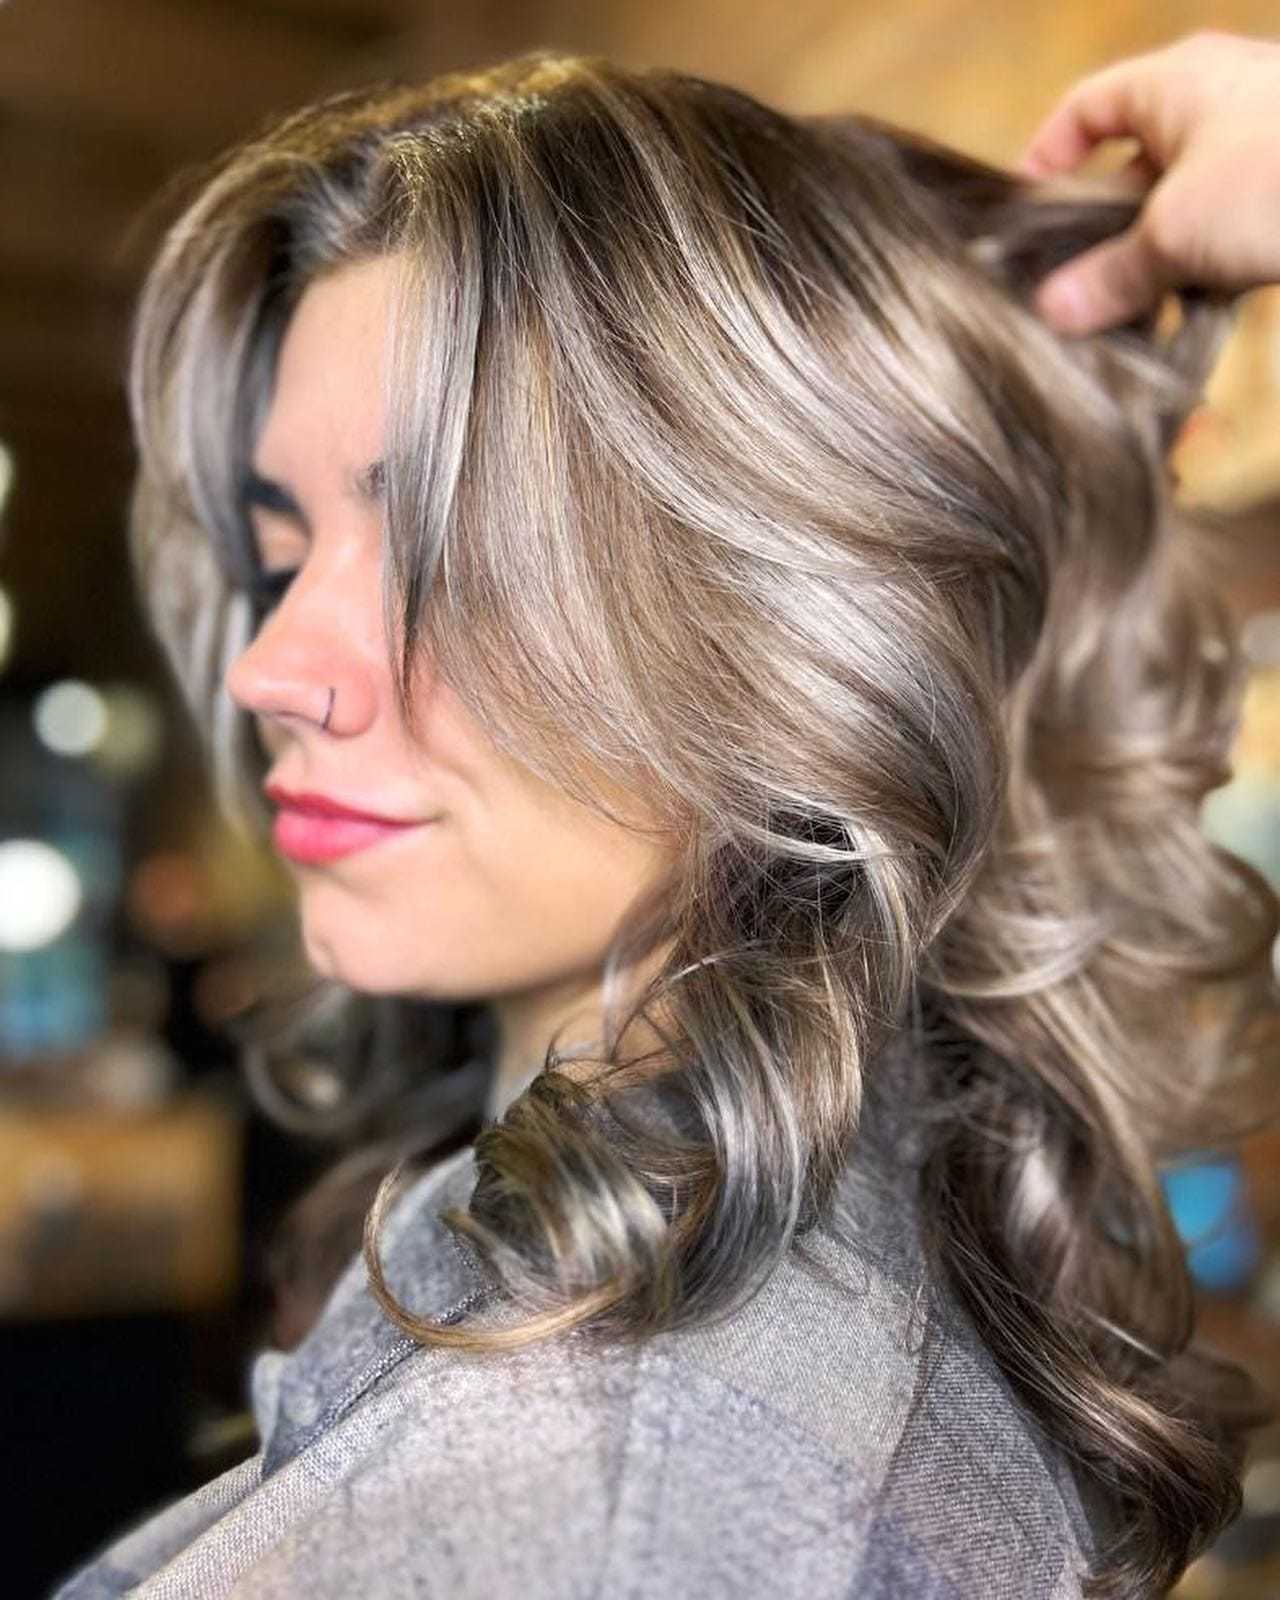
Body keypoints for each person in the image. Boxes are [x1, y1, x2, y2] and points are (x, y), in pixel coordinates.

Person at [51, 31, 1280, 1600]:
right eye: (286, 550)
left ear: (801, 623)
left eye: (448, 542)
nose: (280, 667)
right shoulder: (732, 1312)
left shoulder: (595, 1513)